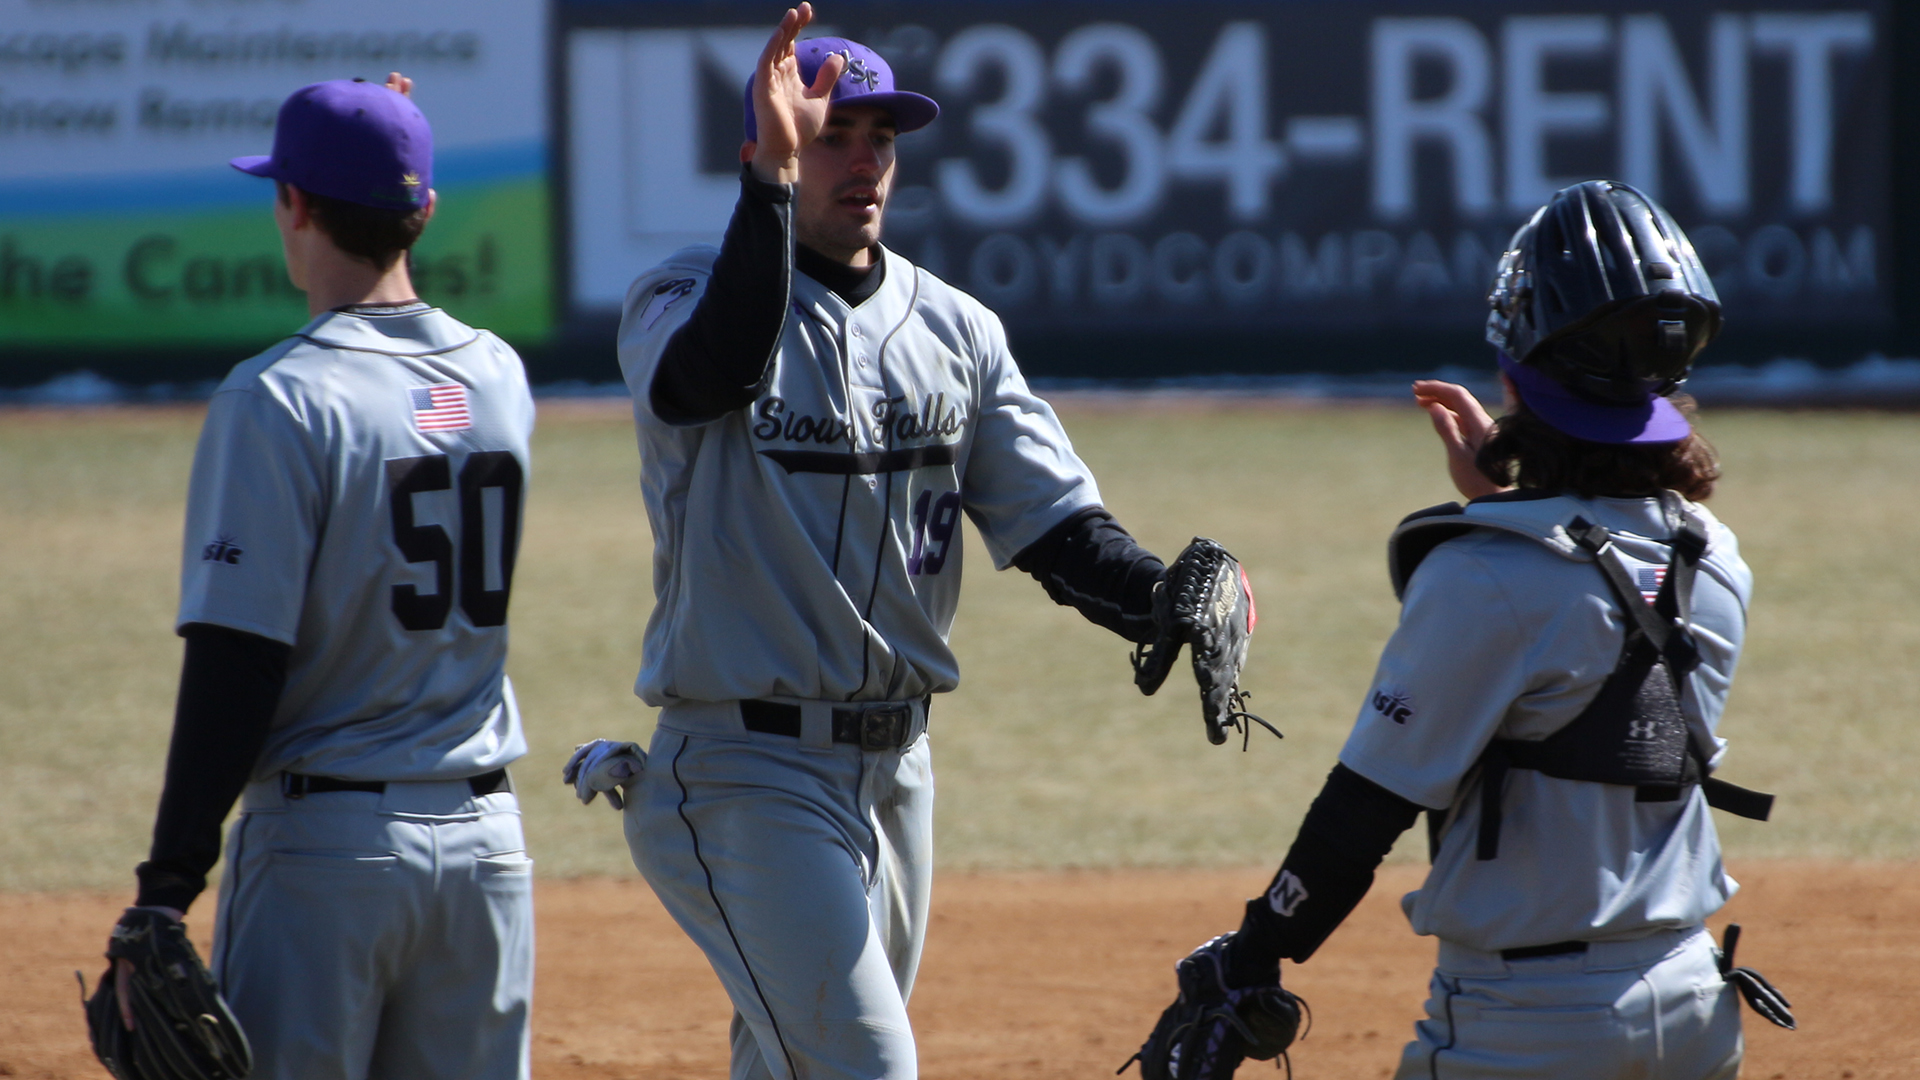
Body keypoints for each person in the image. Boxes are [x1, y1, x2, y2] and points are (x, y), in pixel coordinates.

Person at [563, 6, 1229, 1079]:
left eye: (881, 139)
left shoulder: (956, 329)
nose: (864, 159)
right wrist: (770, 188)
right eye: (834, 133)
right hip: (745, 772)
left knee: (795, 1063)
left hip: (897, 773)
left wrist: (1161, 597)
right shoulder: (680, 295)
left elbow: (1056, 526)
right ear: (770, 146)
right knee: (867, 1066)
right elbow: (713, 374)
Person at [1136, 180, 1788, 1080]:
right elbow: (1593, 598)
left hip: (1528, 1027)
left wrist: (1255, 953)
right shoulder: (1712, 555)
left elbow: (1366, 808)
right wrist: (1524, 493)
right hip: (1696, 1008)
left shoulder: (1484, 577)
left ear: (1517, 371)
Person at [104, 74, 537, 1080]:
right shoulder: (500, 379)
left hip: (327, 855)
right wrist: (390, 149)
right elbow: (417, 396)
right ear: (424, 210)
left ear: (291, 204)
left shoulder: (277, 396)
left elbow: (236, 659)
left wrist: (167, 884)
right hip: (488, 853)